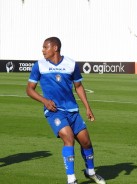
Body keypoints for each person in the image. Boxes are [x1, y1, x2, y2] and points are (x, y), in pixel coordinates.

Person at [26, 37, 106, 184]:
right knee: (68, 138)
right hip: (54, 111)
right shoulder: (39, 65)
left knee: (86, 142)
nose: (42, 50)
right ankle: (71, 179)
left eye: (45, 47)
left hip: (72, 110)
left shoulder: (71, 64)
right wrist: (45, 101)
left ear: (55, 48)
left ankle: (91, 172)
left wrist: (88, 108)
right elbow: (29, 90)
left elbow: (79, 86)